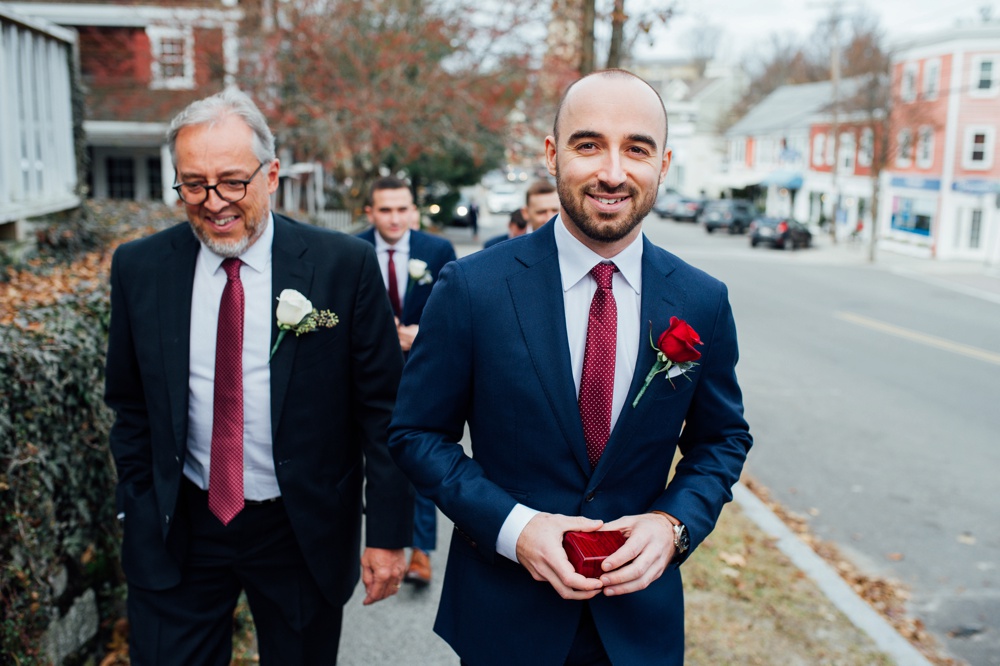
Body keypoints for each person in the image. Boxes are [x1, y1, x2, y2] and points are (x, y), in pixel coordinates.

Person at [388, 69, 752, 665]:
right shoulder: (473, 287)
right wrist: (515, 528)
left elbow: (722, 439)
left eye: (636, 148)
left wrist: (674, 524)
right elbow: (416, 435)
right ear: (553, 154)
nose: (613, 171)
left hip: (638, 627)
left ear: (663, 163)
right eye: (589, 145)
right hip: (503, 620)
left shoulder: (702, 301)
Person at [104, 88, 413, 665]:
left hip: (300, 531)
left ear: (271, 175)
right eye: (193, 183)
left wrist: (389, 533)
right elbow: (129, 404)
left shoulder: (342, 266)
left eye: (231, 182)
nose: (213, 201)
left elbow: (384, 413)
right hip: (181, 526)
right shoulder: (140, 268)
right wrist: (138, 504)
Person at [358, 176, 457, 586]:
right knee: (373, 460)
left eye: (402, 209)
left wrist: (424, 335)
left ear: (413, 210)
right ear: (370, 212)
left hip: (422, 370)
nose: (395, 218)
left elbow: (453, 314)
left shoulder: (438, 250)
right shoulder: (354, 249)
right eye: (385, 210)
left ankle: (421, 552)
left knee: (420, 456)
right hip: (369, 372)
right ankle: (379, 542)